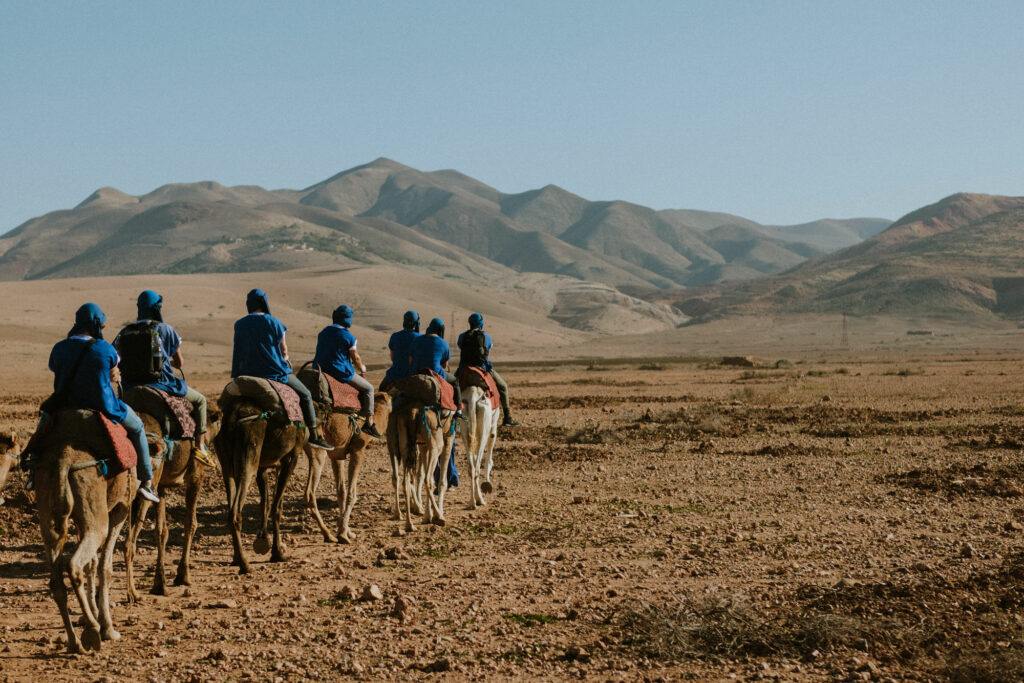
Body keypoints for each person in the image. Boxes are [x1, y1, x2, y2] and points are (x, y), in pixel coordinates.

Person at [44, 303, 159, 502]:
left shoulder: (59, 348)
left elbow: (55, 368)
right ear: (96, 325)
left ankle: (32, 471)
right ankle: (147, 481)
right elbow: (113, 370)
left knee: (44, 426)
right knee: (138, 427)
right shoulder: (105, 349)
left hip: (64, 404)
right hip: (103, 406)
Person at [114, 290, 214, 465]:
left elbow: (114, 358)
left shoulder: (125, 332)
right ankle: (200, 447)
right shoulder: (165, 329)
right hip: (161, 385)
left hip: (129, 387)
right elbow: (180, 363)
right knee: (200, 401)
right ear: (157, 308)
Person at [231, 288, 333, 450]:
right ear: (264, 303)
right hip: (273, 373)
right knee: (306, 395)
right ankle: (314, 434)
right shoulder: (275, 323)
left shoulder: (239, 324)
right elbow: (284, 351)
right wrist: (286, 360)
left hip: (245, 373)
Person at [313, 305, 382, 438]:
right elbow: (355, 357)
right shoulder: (348, 337)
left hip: (319, 369)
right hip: (338, 371)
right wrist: (362, 368)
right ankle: (369, 423)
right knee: (369, 389)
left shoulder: (323, 332)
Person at [457, 312, 519, 426]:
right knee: (503, 387)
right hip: (483, 368)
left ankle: (454, 416)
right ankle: (507, 417)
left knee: (452, 388)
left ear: (470, 323)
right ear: (481, 324)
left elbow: (461, 348)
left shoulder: (462, 336)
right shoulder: (486, 337)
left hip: (464, 368)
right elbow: (487, 354)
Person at [408, 318, 462, 417]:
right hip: (435, 375)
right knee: (455, 381)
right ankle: (459, 411)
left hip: (416, 373)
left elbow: (410, 361)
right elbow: (445, 365)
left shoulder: (416, 340)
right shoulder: (443, 343)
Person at [379, 310, 421, 392]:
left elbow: (392, 358)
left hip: (394, 375)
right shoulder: (420, 338)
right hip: (411, 376)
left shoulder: (394, 336)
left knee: (381, 390)